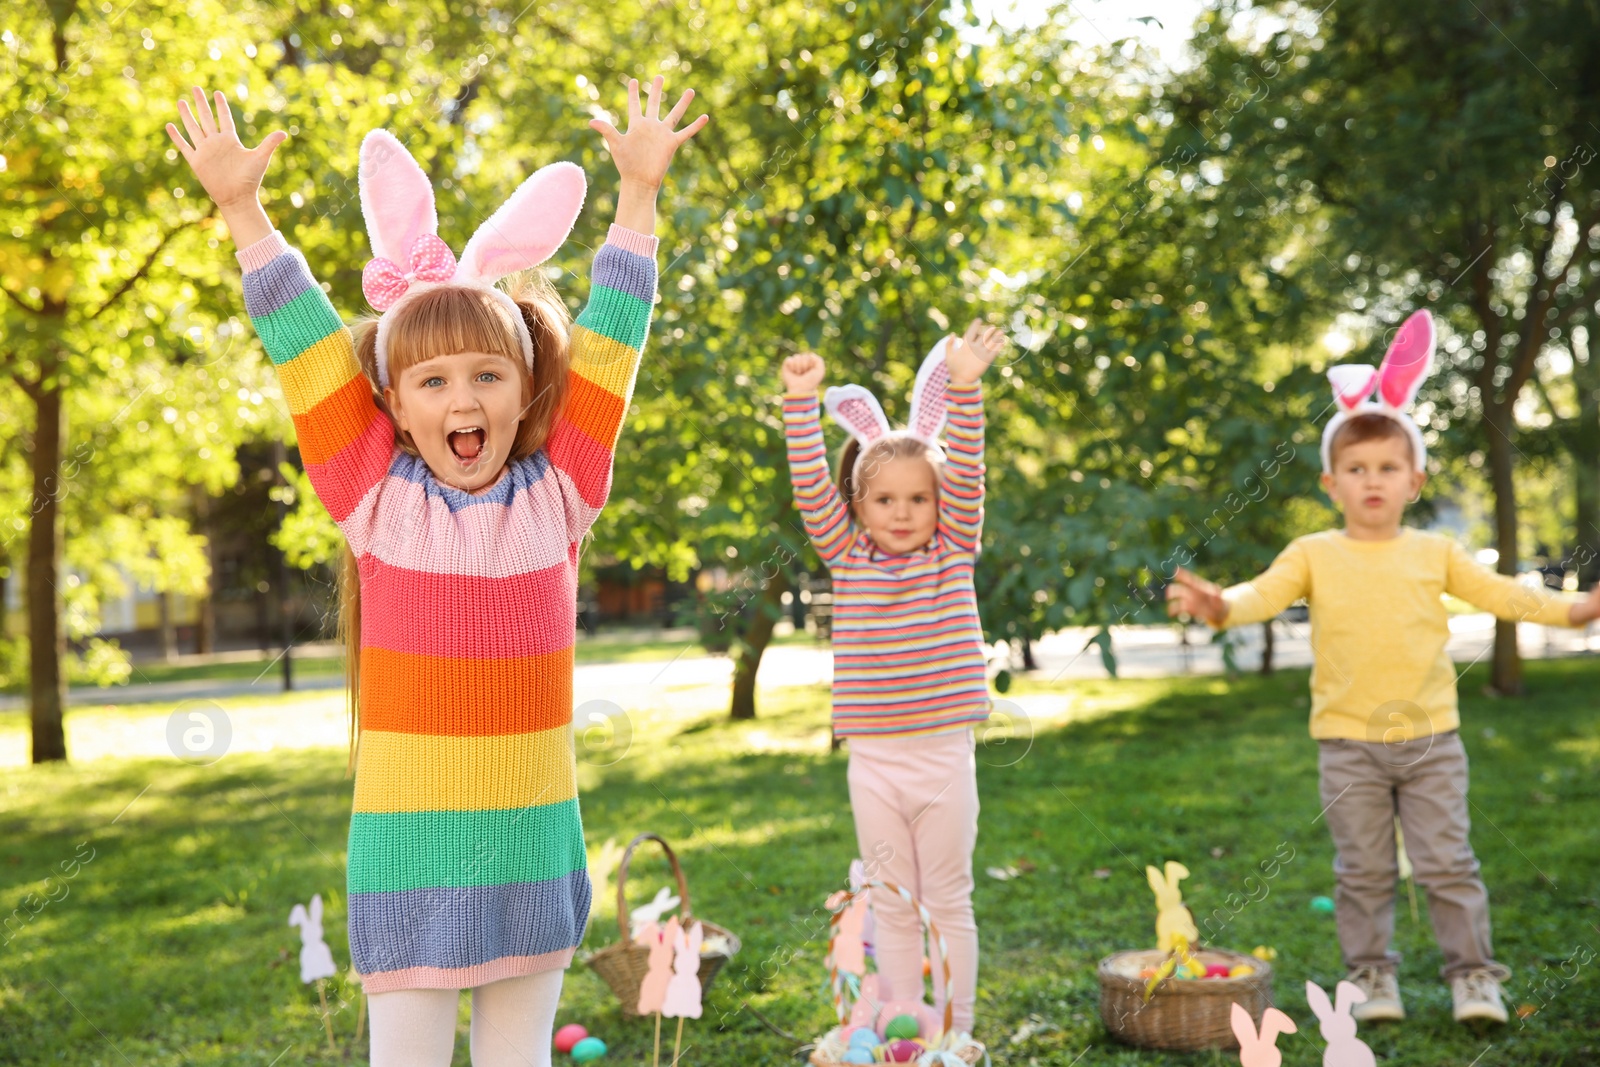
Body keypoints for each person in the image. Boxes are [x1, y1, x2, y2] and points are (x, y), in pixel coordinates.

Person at [167, 77, 706, 1065]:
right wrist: (244, 212)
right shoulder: (373, 500)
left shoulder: (560, 497)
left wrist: (637, 200)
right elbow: (306, 351)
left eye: (487, 374)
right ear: (397, 406)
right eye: (433, 380)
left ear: (524, 387)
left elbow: (612, 348)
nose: (464, 398)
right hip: (406, 863)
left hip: (532, 855)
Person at [1166, 310, 1600, 1024]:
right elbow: (1260, 595)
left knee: (1448, 865)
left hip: (1432, 741)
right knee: (1362, 872)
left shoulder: (1435, 553)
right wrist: (1220, 606)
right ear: (1330, 482)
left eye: (1387, 468)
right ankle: (1372, 980)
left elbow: (1504, 594)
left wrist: (1575, 609)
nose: (1373, 480)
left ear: (1415, 478)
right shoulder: (1313, 551)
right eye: (1356, 469)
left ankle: (1475, 978)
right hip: (1347, 745)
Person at [778, 321, 1009, 1035]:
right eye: (885, 500)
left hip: (942, 755)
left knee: (947, 898)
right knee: (891, 899)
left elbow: (966, 466)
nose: (903, 512)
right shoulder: (847, 556)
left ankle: (959, 1029)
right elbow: (810, 483)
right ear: (859, 505)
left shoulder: (954, 548)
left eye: (918, 499)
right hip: (874, 760)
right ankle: (910, 1024)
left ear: (940, 506)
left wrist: (965, 383)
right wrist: (799, 401)